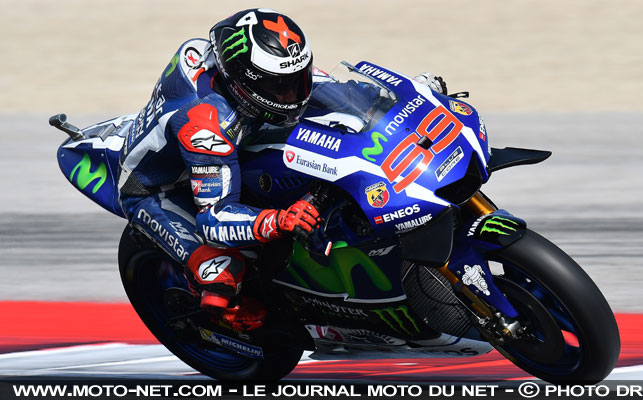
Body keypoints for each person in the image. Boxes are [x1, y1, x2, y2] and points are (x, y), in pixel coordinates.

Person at [118, 8, 447, 332]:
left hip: (229, 142)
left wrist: (403, 99)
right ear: (241, 82)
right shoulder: (207, 128)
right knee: (221, 271)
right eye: (281, 86)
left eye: (297, 78)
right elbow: (214, 219)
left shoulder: (256, 73)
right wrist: (279, 220)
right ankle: (222, 316)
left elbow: (335, 92)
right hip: (158, 189)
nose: (294, 94)